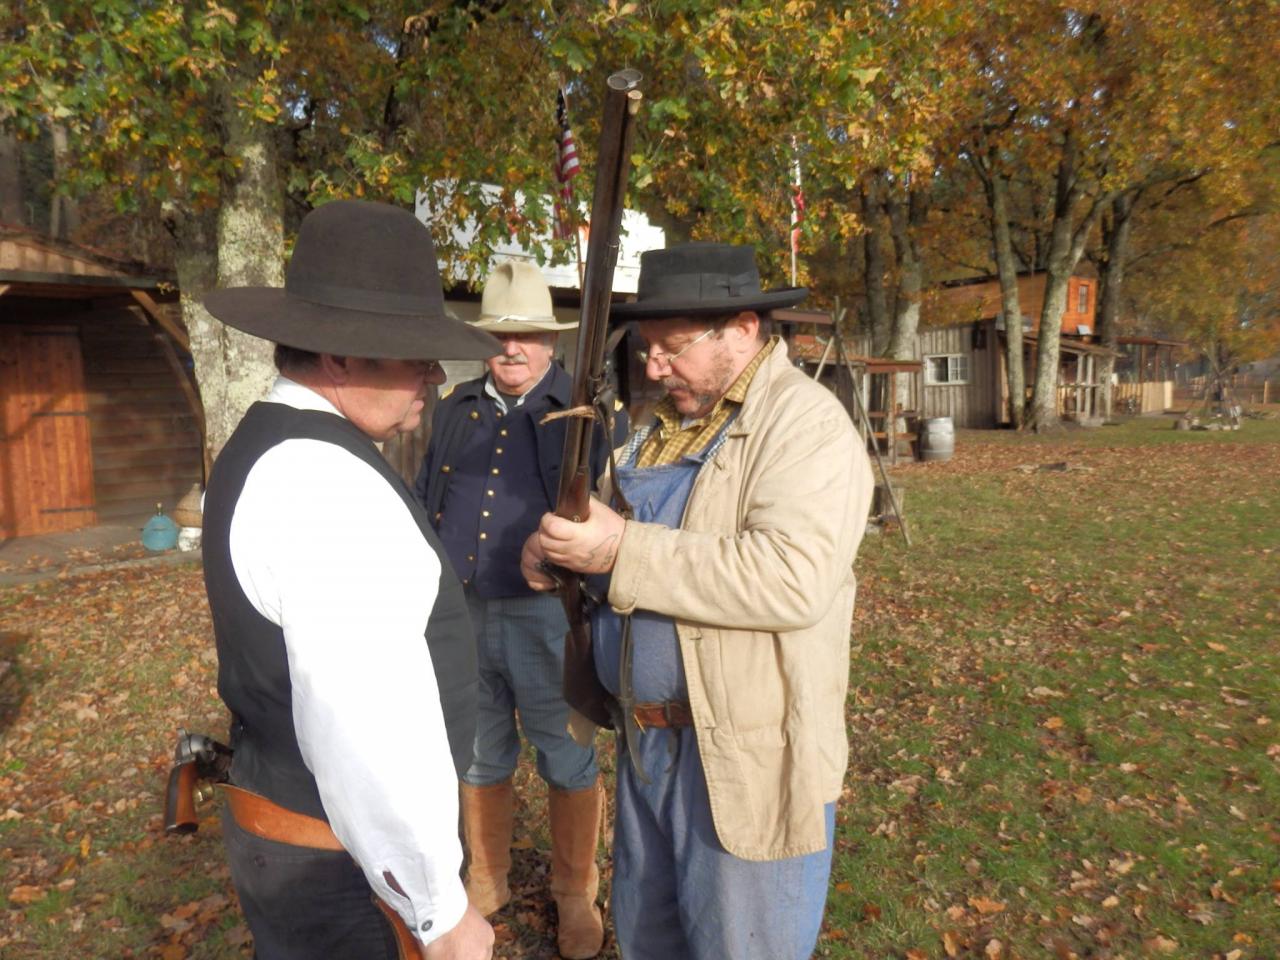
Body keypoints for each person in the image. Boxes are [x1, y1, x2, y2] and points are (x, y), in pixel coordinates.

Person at [521, 242, 875, 960]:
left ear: (743, 329)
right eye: (649, 346)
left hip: (746, 755)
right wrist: (559, 553)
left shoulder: (804, 426)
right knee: (652, 939)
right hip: (648, 746)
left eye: (671, 348)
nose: (653, 366)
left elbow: (792, 576)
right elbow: (614, 538)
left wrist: (620, 551)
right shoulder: (659, 431)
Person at [200, 199, 500, 960]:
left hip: (305, 842)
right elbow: (364, 721)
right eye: (412, 352)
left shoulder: (274, 443)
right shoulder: (323, 480)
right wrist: (436, 908)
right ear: (338, 356)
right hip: (344, 867)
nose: (433, 374)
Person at [415, 261, 625, 960]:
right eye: (501, 337)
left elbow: (614, 518)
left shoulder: (584, 414)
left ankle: (575, 894)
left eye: (529, 336)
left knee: (565, 754)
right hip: (464, 612)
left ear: (552, 343)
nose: (513, 350)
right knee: (478, 755)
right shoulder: (453, 408)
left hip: (547, 616)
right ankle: (488, 877)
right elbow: (425, 497)